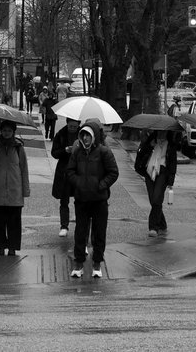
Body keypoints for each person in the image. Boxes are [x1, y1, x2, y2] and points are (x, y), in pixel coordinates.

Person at [66, 120, 119, 279]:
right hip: (82, 199)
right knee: (80, 232)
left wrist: (101, 185)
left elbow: (113, 172)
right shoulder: (77, 152)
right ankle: (78, 263)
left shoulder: (104, 152)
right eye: (83, 135)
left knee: (99, 232)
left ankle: (97, 263)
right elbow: (70, 171)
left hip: (99, 200)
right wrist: (79, 183)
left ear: (94, 136)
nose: (85, 138)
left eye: (88, 135)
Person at [0, 119, 30, 255]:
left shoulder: (18, 148)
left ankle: (12, 247)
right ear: (1, 131)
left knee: (14, 222)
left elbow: (24, 169)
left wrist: (25, 190)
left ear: (13, 132)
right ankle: (0, 247)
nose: (6, 133)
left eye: (9, 131)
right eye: (4, 130)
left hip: (14, 192)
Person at [134, 128, 179, 236]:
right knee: (153, 200)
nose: (161, 133)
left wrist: (171, 181)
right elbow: (141, 153)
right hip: (149, 171)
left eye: (164, 131)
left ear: (168, 132)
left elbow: (173, 163)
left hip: (163, 172)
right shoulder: (150, 141)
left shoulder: (170, 145)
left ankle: (153, 227)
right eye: (159, 131)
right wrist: (149, 146)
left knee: (156, 198)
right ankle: (162, 224)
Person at [50, 117, 80, 237]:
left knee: (80, 200)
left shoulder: (83, 135)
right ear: (67, 124)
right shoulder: (60, 134)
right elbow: (54, 153)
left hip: (78, 171)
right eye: (70, 126)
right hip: (64, 172)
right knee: (64, 200)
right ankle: (64, 226)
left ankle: (80, 224)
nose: (72, 129)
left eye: (75, 127)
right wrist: (65, 150)